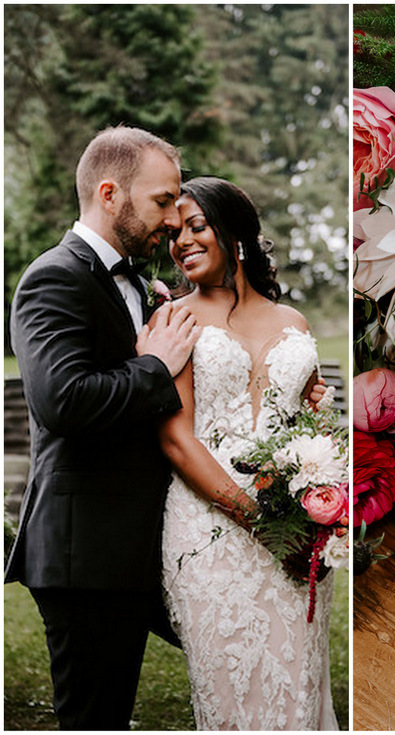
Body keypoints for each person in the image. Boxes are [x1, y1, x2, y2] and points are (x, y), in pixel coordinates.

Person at [6, 126, 199, 730]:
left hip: (138, 544)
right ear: (110, 193)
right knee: (95, 719)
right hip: (85, 552)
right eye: (163, 201)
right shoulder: (53, 277)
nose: (173, 219)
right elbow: (63, 401)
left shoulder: (137, 283)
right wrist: (153, 368)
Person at [157, 176, 337, 730]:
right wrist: (260, 521)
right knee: (233, 694)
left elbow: (309, 427)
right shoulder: (174, 321)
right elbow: (176, 440)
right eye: (173, 233)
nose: (182, 241)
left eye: (196, 226)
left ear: (233, 232)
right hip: (210, 533)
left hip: (297, 532)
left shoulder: (294, 324)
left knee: (298, 690)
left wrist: (320, 425)